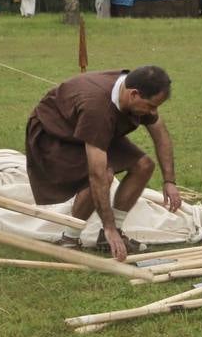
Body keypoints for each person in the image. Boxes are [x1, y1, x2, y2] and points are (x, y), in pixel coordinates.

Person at [24, 66, 180, 262]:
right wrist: (109, 226)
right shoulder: (97, 108)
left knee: (144, 165)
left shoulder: (134, 92)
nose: (153, 112)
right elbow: (97, 174)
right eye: (151, 106)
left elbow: (160, 133)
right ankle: (69, 240)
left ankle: (109, 239)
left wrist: (169, 181)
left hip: (90, 130)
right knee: (102, 175)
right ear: (133, 94)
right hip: (55, 134)